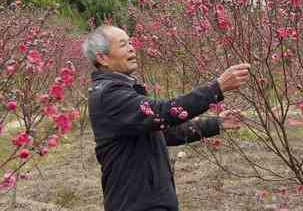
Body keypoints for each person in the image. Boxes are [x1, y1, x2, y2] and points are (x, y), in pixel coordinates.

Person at [82, 25, 250, 211]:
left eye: (130, 42)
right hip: (136, 203)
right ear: (102, 57)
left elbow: (165, 132)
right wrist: (217, 88)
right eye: (123, 45)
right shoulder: (110, 95)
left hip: (147, 199)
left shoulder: (117, 91)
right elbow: (164, 113)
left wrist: (217, 123)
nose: (131, 48)